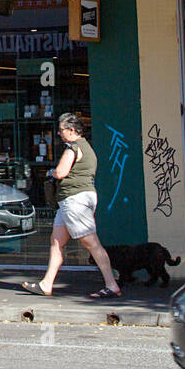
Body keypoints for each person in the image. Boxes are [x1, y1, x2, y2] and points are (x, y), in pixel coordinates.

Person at [23, 113, 122, 299]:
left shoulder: (73, 148)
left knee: (91, 243)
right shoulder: (87, 148)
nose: (59, 134)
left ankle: (112, 284)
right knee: (56, 241)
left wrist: (51, 172)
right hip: (74, 200)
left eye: (61, 130)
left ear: (71, 130)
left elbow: (61, 172)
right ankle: (46, 284)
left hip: (74, 201)